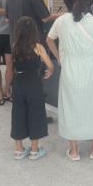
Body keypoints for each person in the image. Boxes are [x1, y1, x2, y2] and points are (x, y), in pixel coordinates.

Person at [47, 0, 93, 161]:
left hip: (70, 68)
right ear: (90, 6)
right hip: (92, 68)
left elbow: (49, 39)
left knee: (71, 108)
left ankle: (74, 151)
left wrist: (59, 58)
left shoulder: (61, 20)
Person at [10, 16, 54, 161]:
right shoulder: (38, 47)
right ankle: (34, 150)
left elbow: (10, 69)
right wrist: (50, 72)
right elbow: (50, 66)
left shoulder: (14, 46)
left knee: (18, 114)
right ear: (34, 31)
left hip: (18, 84)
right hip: (34, 85)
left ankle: (19, 150)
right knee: (36, 114)